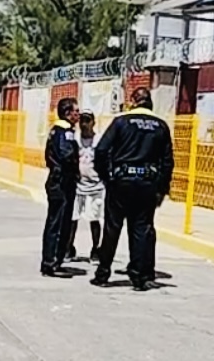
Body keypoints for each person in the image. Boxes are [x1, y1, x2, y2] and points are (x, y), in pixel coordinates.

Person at [93, 87, 174, 291]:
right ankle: (139, 277)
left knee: (112, 228)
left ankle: (103, 272)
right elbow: (167, 162)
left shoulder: (121, 122)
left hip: (121, 181)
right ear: (150, 102)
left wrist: (106, 177)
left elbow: (101, 150)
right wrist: (161, 189)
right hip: (147, 183)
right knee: (141, 229)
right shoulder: (161, 126)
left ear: (133, 101)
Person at [40, 97, 80, 278]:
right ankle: (52, 263)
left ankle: (52, 261)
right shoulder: (65, 131)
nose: (77, 115)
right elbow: (66, 154)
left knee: (56, 221)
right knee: (59, 223)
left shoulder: (56, 130)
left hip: (57, 180)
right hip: (62, 182)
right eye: (75, 111)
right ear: (67, 113)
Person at [66, 110, 104, 263]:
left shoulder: (99, 140)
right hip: (77, 185)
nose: (84, 124)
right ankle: (69, 247)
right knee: (73, 218)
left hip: (96, 185)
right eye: (82, 121)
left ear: (93, 122)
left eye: (87, 121)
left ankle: (96, 249)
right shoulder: (75, 139)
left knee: (94, 218)